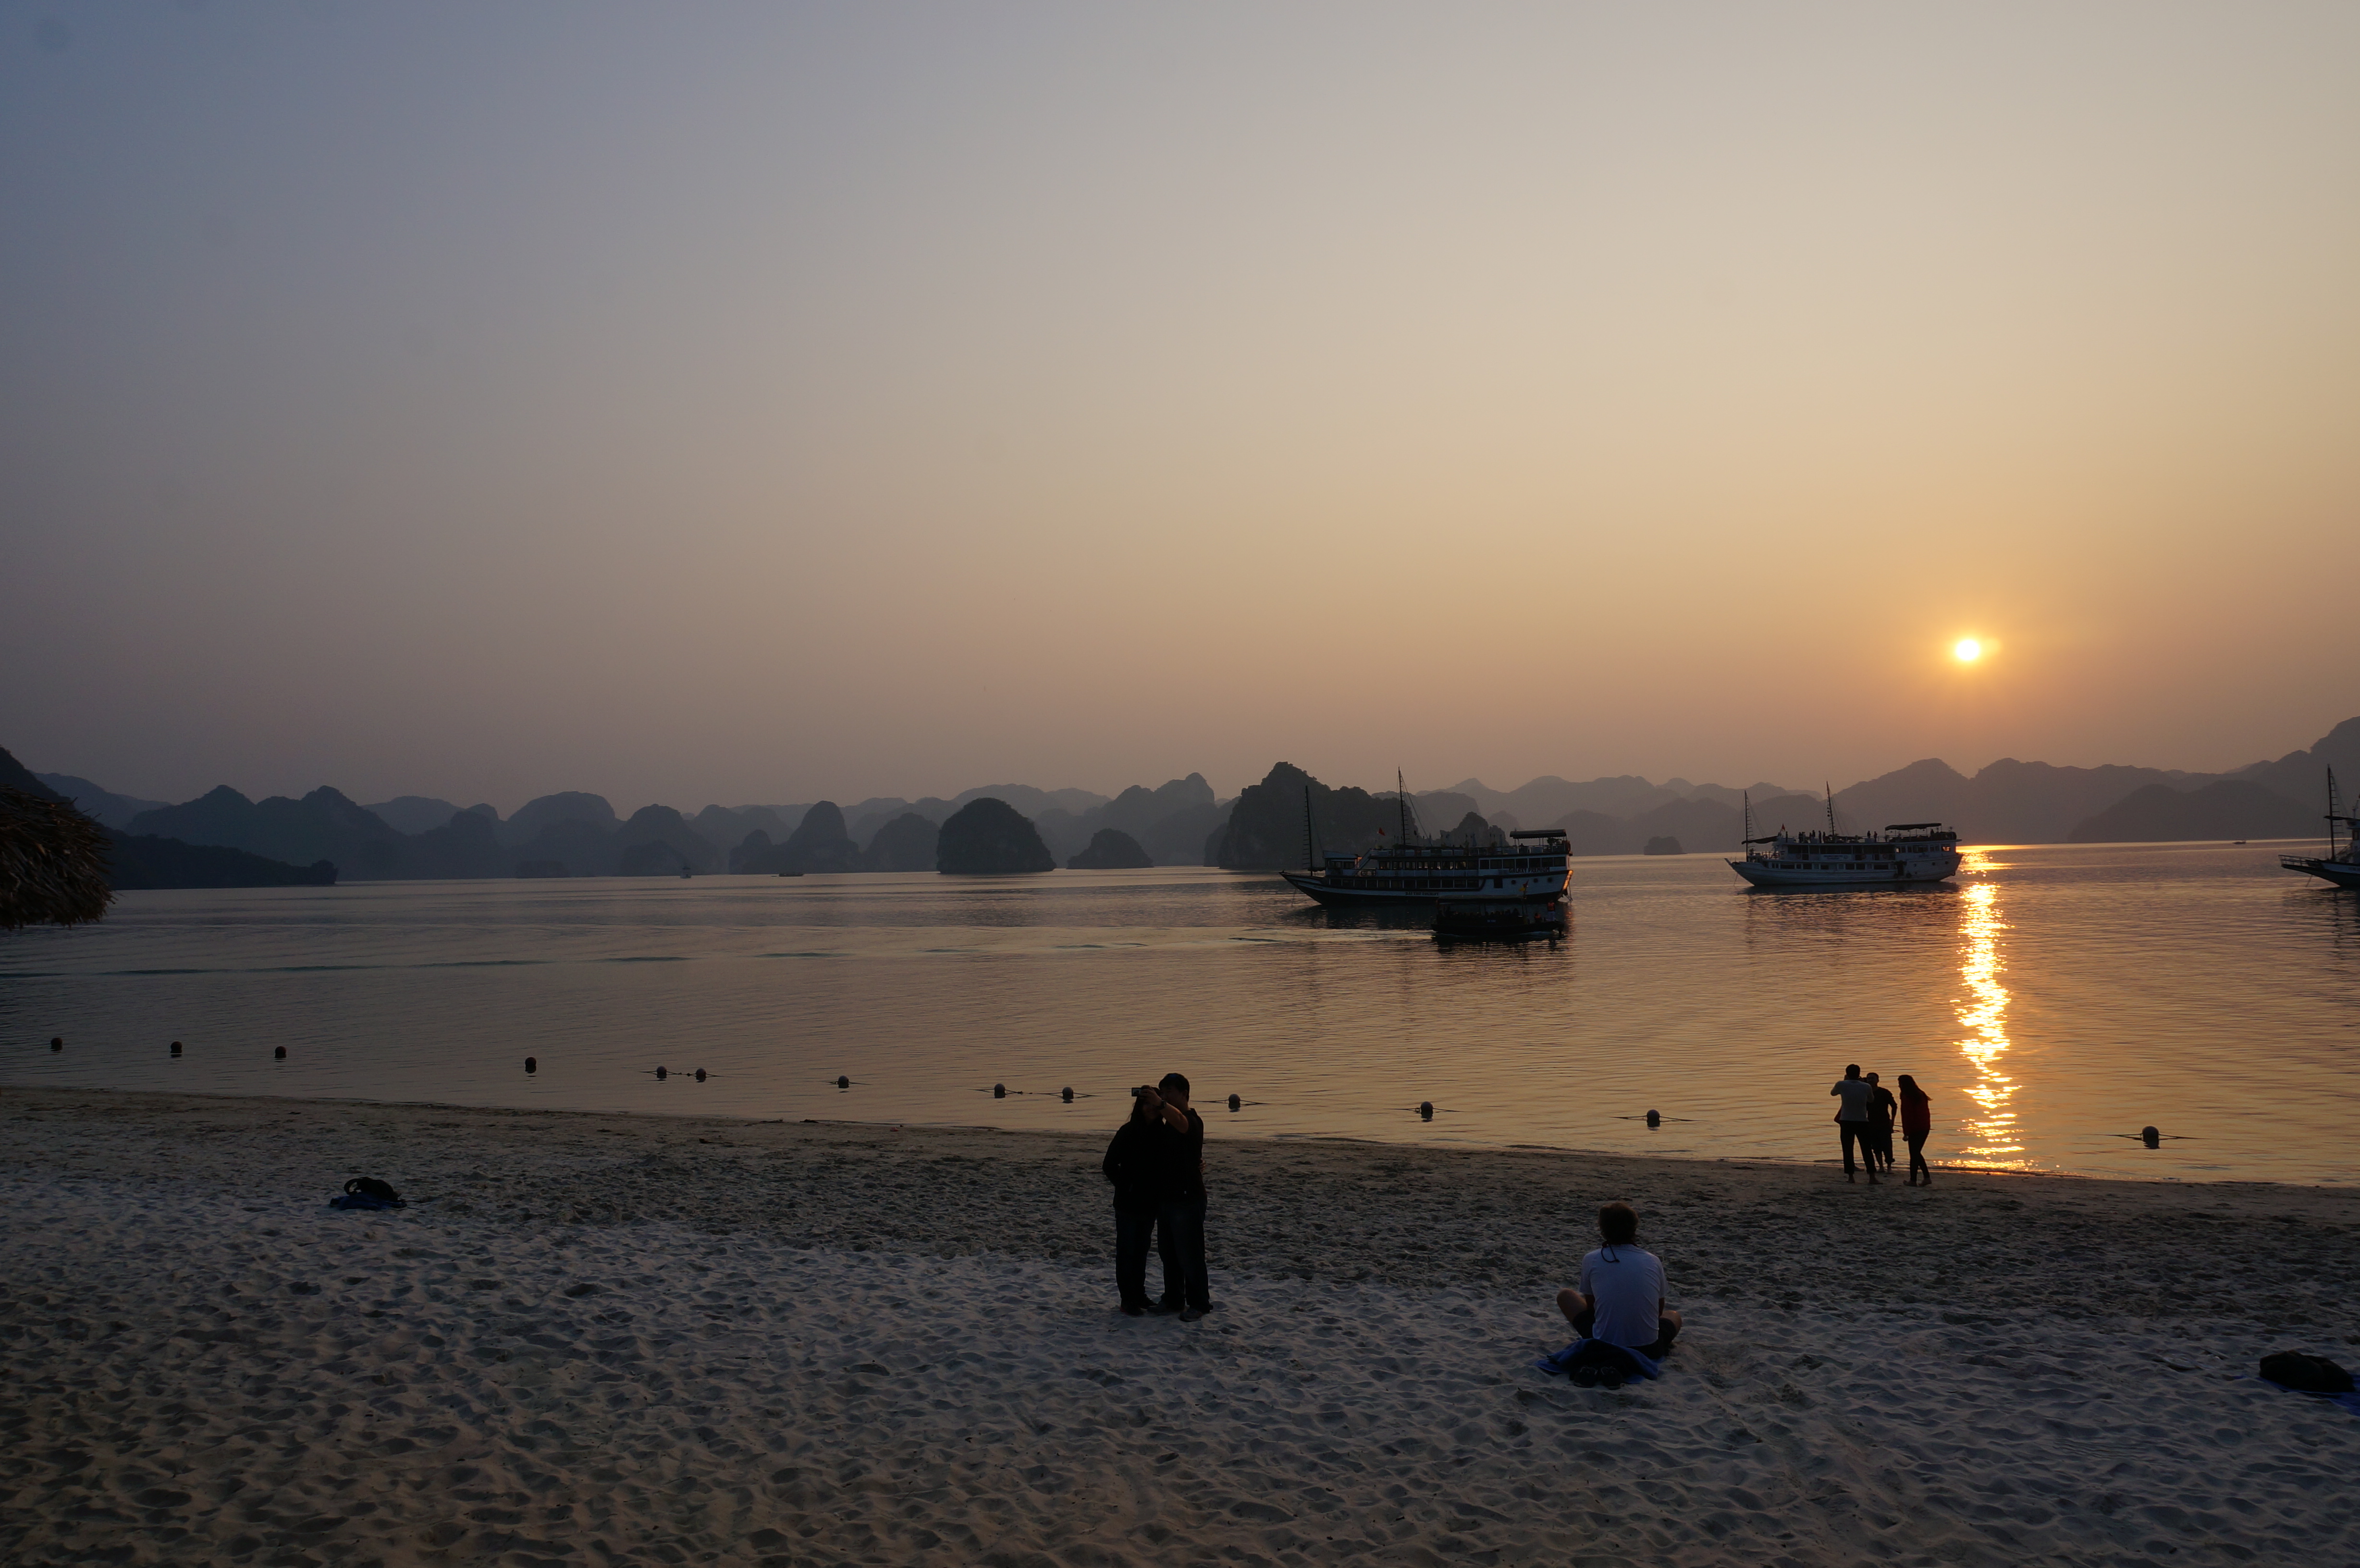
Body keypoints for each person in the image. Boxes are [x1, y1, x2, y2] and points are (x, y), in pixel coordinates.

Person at [1556, 1202, 1680, 1373]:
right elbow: (1658, 1312)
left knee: (1565, 1296)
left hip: (1603, 1344)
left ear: (1603, 1229)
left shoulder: (1592, 1259)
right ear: (1634, 1229)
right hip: (1649, 1348)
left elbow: (1593, 1308)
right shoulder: (1652, 1260)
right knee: (1674, 1316)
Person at [1102, 1087, 1179, 1315]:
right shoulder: (1127, 1131)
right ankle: (1128, 1299)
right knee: (1127, 1251)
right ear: (1139, 1107)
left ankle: (1139, 1294)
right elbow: (1109, 1165)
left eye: (1156, 1105)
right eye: (1147, 1104)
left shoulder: (1163, 1133)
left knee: (1142, 1250)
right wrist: (1126, 1187)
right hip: (1128, 1203)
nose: (1152, 1110)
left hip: (1151, 1203)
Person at [1149, 1071, 1213, 1321]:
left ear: (1184, 1094)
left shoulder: (1191, 1119)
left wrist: (1161, 1104)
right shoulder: (1167, 1123)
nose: (1164, 1096)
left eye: (1170, 1092)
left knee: (1191, 1255)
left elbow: (1183, 1124)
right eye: (1162, 1092)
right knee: (1169, 1253)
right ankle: (1174, 1299)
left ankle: (1199, 1304)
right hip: (1167, 1198)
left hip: (1188, 1198)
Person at [1831, 1064, 1878, 1183]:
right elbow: (1871, 1100)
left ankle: (1851, 1177)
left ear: (1847, 1074)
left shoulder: (1841, 1084)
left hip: (1846, 1121)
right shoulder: (1866, 1086)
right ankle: (1872, 1176)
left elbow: (1833, 1093)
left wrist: (1844, 1082)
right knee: (1866, 1149)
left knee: (1847, 1149)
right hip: (1862, 1120)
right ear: (1859, 1074)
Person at [1897, 1073, 1933, 1185]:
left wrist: (1906, 1133)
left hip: (1915, 1128)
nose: (1899, 1086)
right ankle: (1926, 1178)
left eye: (1900, 1084)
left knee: (1914, 1155)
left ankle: (1913, 1180)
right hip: (1924, 1127)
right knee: (1916, 1154)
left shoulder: (1907, 1096)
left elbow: (1907, 1115)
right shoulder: (1920, 1094)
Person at [1865, 1071, 1900, 1174]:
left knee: (1887, 1146)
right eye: (1869, 1078)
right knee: (1875, 1146)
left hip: (1884, 1122)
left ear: (1878, 1080)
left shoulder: (1884, 1092)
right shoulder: (1866, 1093)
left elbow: (1894, 1106)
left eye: (1873, 1078)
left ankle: (1889, 1167)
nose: (1871, 1080)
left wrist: (1893, 1122)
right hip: (1871, 1123)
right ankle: (1881, 1166)